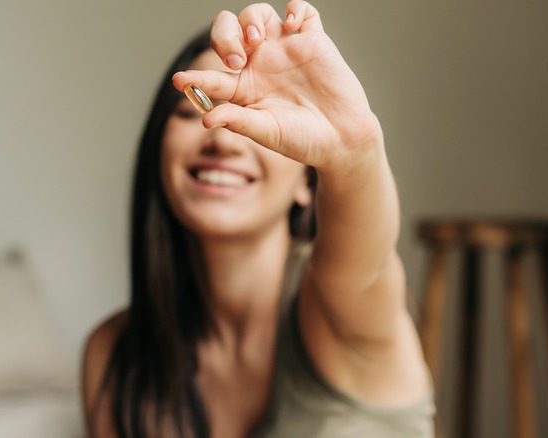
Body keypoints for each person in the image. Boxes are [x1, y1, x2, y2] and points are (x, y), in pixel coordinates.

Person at [82, 1, 434, 437]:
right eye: (192, 111)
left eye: (256, 121)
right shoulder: (115, 356)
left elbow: (368, 265)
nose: (222, 137)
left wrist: (353, 150)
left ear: (308, 181)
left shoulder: (337, 308)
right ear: (159, 151)